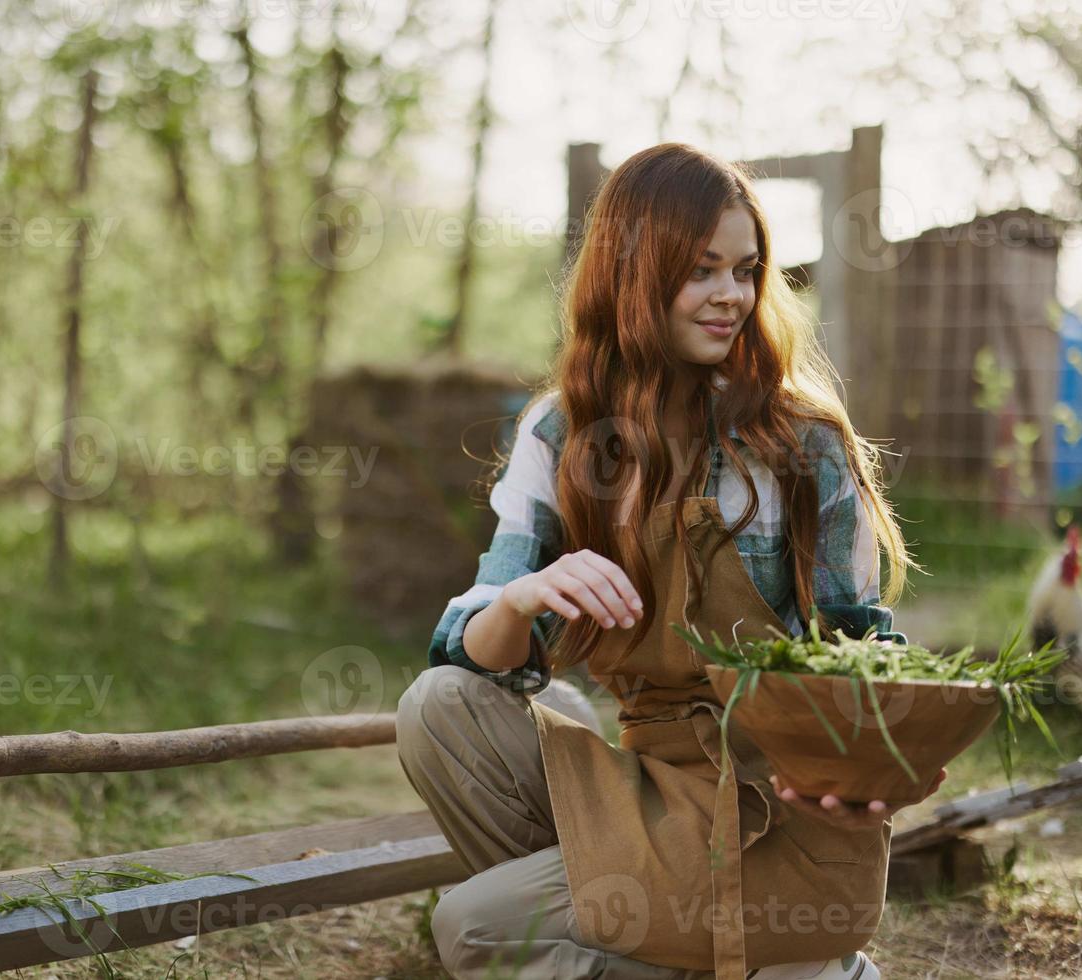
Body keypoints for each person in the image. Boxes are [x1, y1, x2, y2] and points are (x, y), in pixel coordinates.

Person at [396, 143, 944, 980]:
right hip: (648, 784)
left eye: (747, 269)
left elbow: (862, 651)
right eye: (701, 270)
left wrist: (883, 751)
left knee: (479, 929)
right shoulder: (562, 433)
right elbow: (467, 647)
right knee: (441, 704)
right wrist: (521, 599)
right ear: (632, 274)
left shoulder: (804, 442)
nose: (731, 295)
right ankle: (696, 947)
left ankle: (743, 947)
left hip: (771, 798)